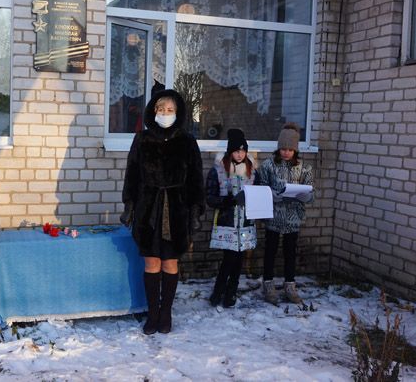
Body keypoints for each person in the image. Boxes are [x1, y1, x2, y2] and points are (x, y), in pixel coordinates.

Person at [120, 89, 205, 335]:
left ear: (177, 113)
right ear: (153, 111)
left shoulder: (187, 141)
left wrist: (196, 210)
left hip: (177, 210)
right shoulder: (142, 140)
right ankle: (152, 313)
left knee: (170, 262)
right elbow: (132, 176)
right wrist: (129, 206)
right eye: (160, 109)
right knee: (151, 262)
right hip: (148, 209)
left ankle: (166, 312)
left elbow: (196, 179)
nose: (165, 114)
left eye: (170, 110)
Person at [257, 123, 314, 305]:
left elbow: (311, 193)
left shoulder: (304, 168)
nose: (286, 152)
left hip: (293, 218)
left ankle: (290, 285)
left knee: (290, 252)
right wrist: (270, 194)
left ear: (295, 150)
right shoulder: (269, 165)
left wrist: (306, 195)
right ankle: (268, 284)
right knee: (270, 251)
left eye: (290, 149)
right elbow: (260, 186)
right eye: (283, 148)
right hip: (273, 216)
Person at [206, 129, 259, 308]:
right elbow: (209, 197)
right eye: (236, 151)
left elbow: (259, 194)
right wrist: (226, 201)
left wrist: (252, 200)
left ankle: (231, 292)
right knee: (229, 258)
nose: (240, 154)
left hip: (245, 223)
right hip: (226, 222)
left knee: (239, 259)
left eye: (243, 151)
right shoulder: (219, 170)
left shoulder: (252, 172)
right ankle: (219, 291)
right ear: (230, 151)